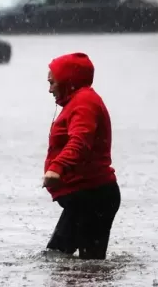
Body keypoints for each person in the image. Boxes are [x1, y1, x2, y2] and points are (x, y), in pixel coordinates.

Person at [42, 52, 121, 260]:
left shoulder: (84, 103)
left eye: (52, 83)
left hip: (94, 196)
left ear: (67, 80)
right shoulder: (78, 101)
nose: (49, 89)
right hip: (86, 197)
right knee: (57, 258)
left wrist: (57, 167)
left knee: (87, 266)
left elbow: (80, 141)